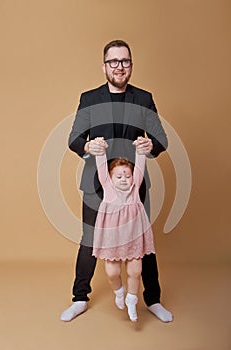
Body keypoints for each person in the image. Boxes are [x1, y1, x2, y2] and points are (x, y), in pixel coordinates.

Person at [60, 39, 173, 323]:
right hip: (96, 186)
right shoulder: (89, 98)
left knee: (142, 242)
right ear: (104, 66)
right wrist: (87, 148)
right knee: (89, 240)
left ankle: (153, 299)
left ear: (131, 65)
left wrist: (151, 146)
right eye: (114, 61)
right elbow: (74, 139)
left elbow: (161, 139)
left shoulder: (144, 98)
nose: (119, 67)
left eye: (125, 61)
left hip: (133, 186)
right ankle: (79, 298)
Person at [92, 136, 155, 322]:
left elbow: (140, 167)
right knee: (112, 272)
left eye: (127, 175)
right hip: (113, 237)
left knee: (135, 271)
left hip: (133, 235)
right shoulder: (108, 189)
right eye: (118, 176)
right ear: (110, 178)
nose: (124, 179)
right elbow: (102, 168)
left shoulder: (135, 188)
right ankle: (119, 291)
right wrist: (101, 150)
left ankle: (132, 300)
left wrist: (140, 150)